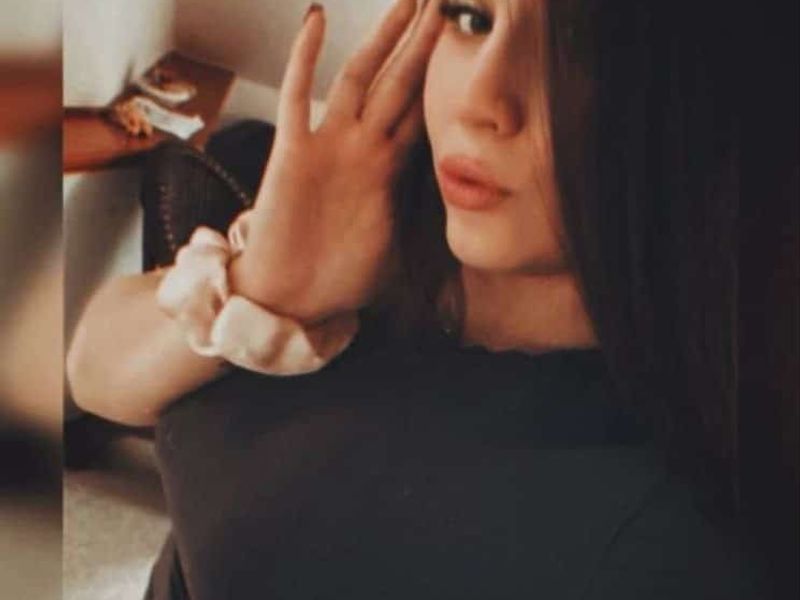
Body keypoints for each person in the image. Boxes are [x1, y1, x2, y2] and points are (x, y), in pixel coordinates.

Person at [67, 1, 774, 598]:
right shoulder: (368, 221)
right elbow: (92, 371)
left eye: (575, 51)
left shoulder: (667, 534)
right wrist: (261, 288)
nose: (481, 101)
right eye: (471, 18)